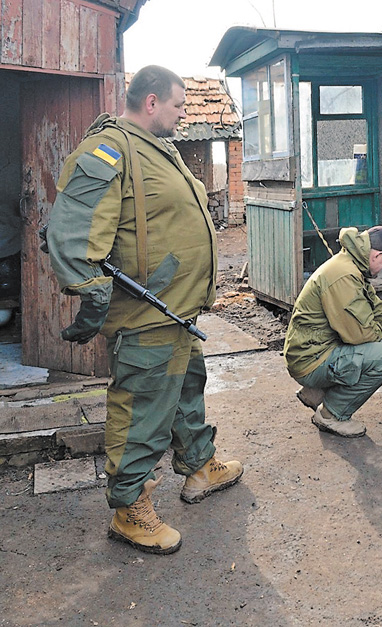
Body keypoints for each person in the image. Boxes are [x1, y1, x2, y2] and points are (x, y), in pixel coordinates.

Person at [46, 65, 243, 556]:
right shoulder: (110, 149)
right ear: (151, 102)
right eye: (178, 106)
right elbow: (71, 232)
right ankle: (129, 508)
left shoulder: (159, 150)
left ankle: (199, 465)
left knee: (184, 390)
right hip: (146, 315)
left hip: (177, 311)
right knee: (141, 409)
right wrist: (93, 295)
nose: (183, 115)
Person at [284, 226, 382, 438]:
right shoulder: (345, 275)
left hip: (313, 351)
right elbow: (359, 334)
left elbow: (375, 307)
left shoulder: (352, 265)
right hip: (310, 360)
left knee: (380, 345)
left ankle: (316, 392)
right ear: (377, 255)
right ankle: (332, 413)